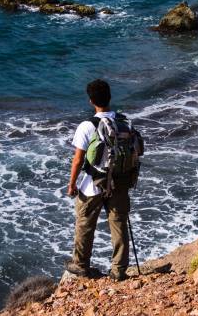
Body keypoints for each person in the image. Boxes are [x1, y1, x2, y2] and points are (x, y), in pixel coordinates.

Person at [65, 79, 143, 281]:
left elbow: (78, 159)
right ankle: (118, 270)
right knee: (118, 224)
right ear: (109, 97)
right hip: (120, 181)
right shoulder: (123, 122)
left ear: (91, 101)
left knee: (85, 224)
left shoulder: (87, 125)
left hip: (94, 184)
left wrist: (72, 184)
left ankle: (81, 264)